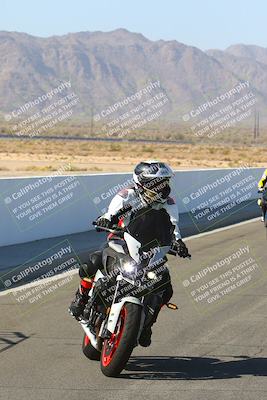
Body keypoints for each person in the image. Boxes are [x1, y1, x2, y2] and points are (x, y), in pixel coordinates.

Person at [69, 160, 190, 346]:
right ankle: (81, 298)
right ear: (142, 182)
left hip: (150, 248)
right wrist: (106, 219)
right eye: (155, 183)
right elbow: (113, 210)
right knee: (92, 261)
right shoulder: (128, 194)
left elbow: (174, 225)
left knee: (166, 286)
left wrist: (178, 242)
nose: (161, 187)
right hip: (122, 239)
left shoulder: (169, 202)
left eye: (163, 182)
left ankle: (147, 325)